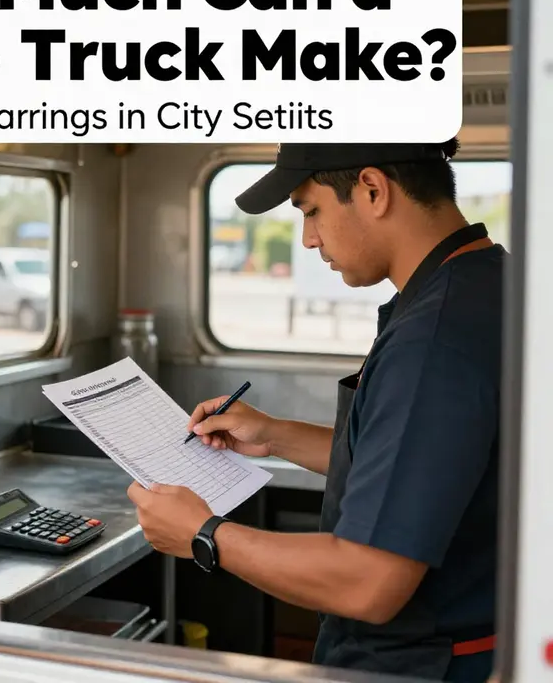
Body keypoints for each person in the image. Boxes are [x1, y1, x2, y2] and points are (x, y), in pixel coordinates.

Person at [127, 139, 504, 682]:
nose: (307, 238)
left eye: (311, 210)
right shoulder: (483, 282)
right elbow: (431, 466)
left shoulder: (434, 340)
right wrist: (274, 435)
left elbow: (367, 582)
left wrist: (205, 535)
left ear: (372, 190)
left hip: (422, 665)